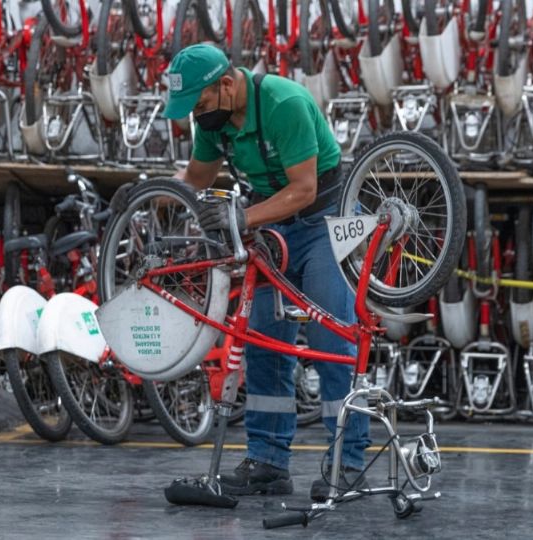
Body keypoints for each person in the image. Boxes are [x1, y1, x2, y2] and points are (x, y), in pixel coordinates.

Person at [162, 44, 371, 500]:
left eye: (200, 104)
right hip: (271, 222)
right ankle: (268, 462)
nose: (197, 115)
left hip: (324, 219)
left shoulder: (283, 104)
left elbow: (304, 189)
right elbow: (196, 177)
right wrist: (152, 194)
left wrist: (243, 219)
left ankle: (348, 461)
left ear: (228, 84)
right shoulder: (213, 122)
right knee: (262, 339)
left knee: (332, 336)